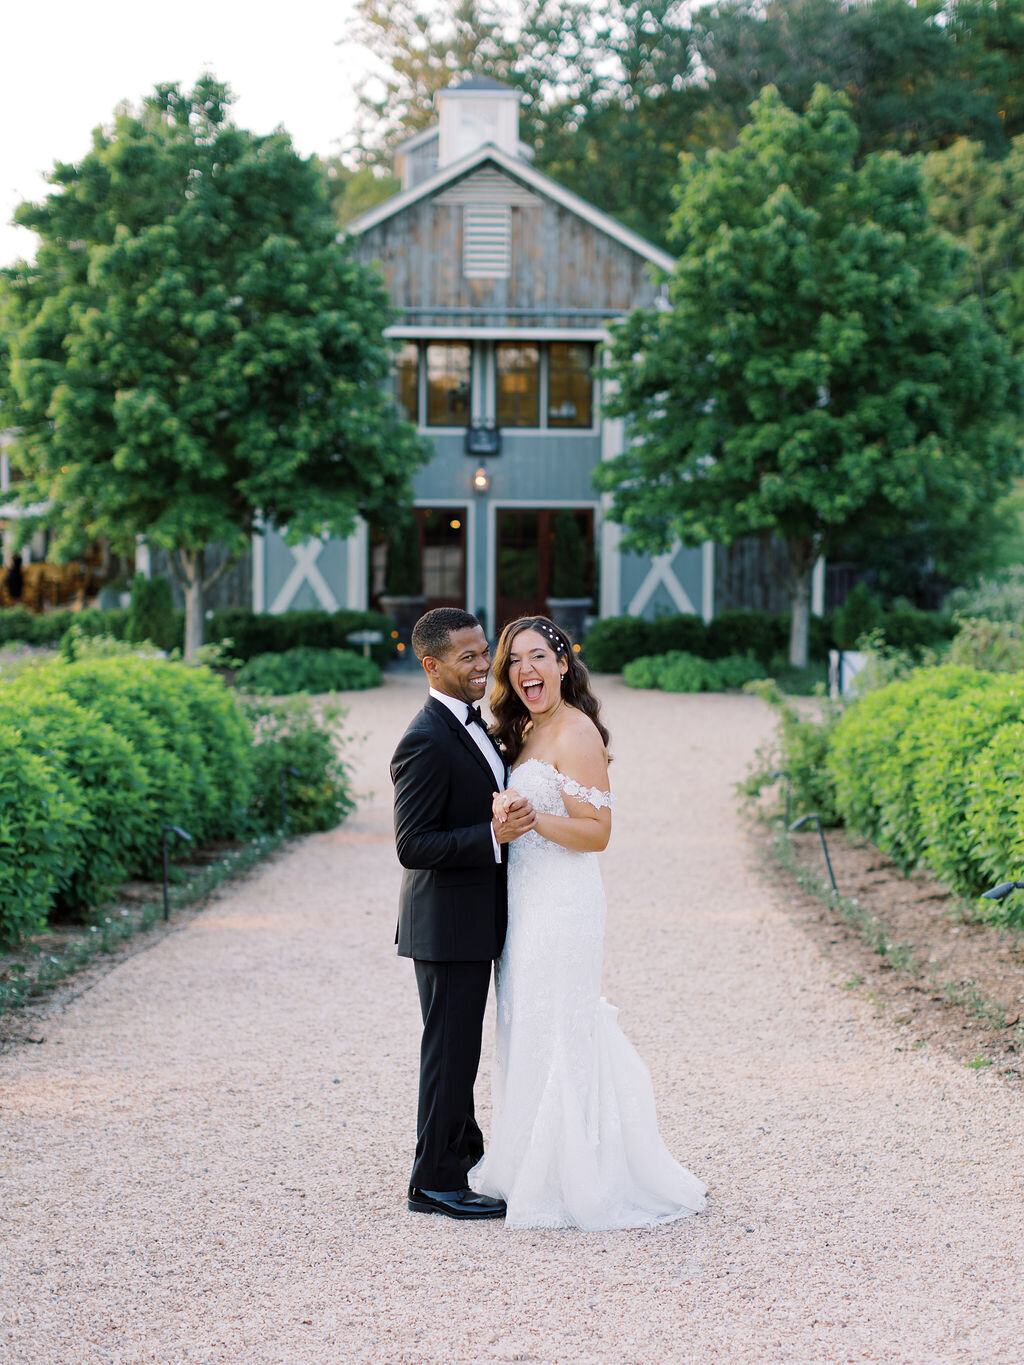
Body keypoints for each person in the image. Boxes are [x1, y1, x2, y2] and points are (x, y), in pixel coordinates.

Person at [470, 615, 707, 1230]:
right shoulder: (525, 728)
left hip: (565, 902)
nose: (526, 670)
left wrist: (529, 817)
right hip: (526, 899)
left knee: (560, 1022)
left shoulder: (575, 732)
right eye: (514, 661)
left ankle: (577, 1173)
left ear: (562, 665)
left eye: (537, 658)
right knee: (528, 1021)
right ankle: (527, 1163)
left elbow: (597, 834)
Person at [391, 607, 536, 1220]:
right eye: (469, 657)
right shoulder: (424, 739)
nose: (485, 665)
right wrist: (493, 836)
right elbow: (413, 845)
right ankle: (434, 1183)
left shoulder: (475, 724)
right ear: (432, 665)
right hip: (446, 925)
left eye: (485, 652)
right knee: (449, 1053)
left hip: (474, 919)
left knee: (461, 1050)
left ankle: (464, 1150)